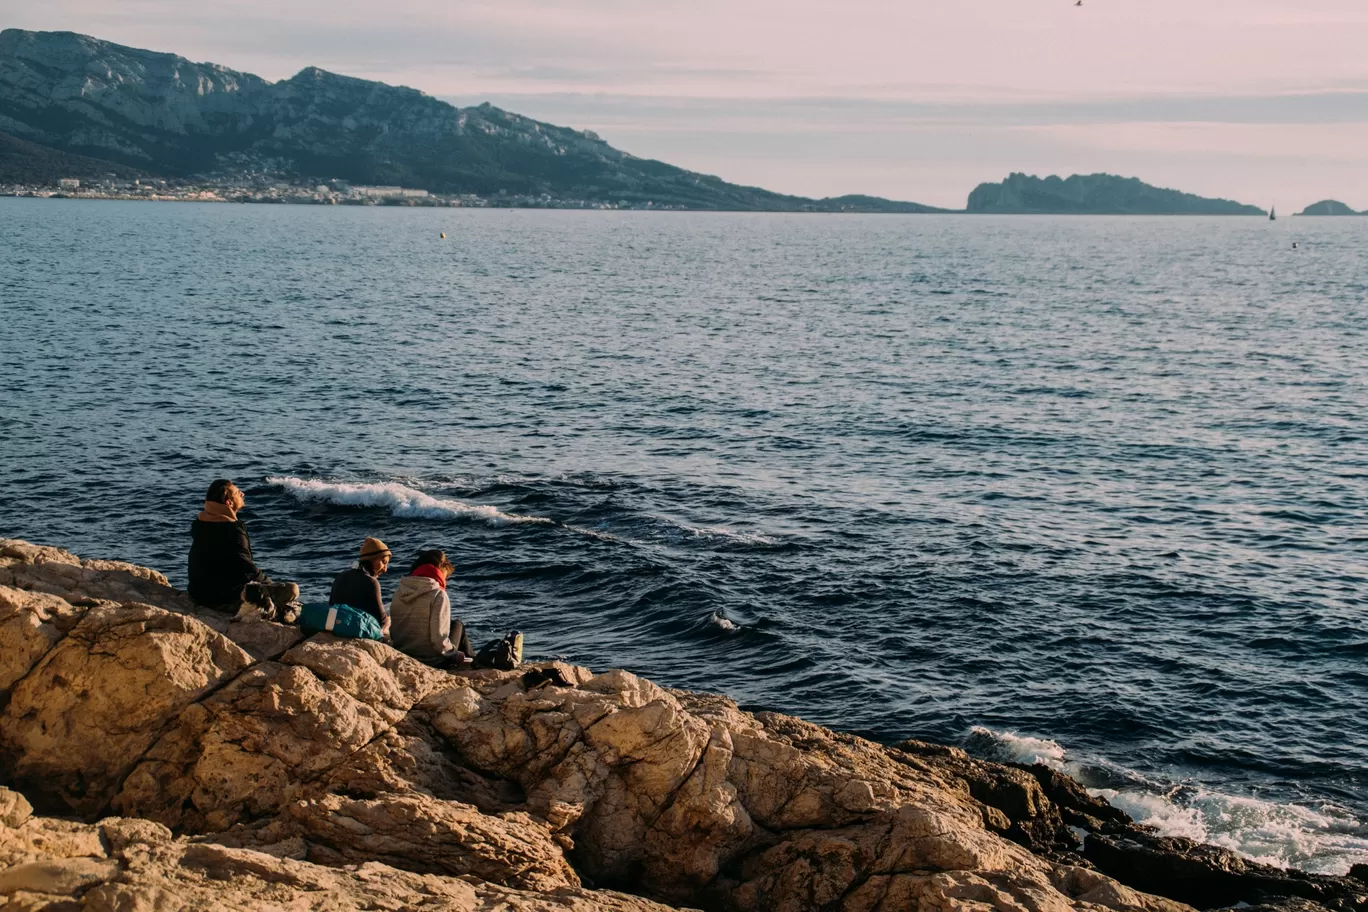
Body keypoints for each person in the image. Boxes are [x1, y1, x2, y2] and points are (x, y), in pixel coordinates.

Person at [188, 479, 298, 614]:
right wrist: (269, 584)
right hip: (222, 599)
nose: (242, 494)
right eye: (238, 492)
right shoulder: (231, 530)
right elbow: (247, 568)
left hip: (198, 593)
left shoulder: (201, 524)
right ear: (229, 503)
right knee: (291, 589)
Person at [389, 549, 472, 668]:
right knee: (458, 625)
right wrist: (456, 655)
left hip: (404, 654)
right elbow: (439, 640)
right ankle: (472, 662)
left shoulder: (399, 591)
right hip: (432, 661)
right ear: (441, 570)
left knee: (453, 625)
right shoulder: (438, 595)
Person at [330, 538, 392, 636]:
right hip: (359, 631)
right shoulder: (371, 582)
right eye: (384, 562)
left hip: (337, 627)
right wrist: (388, 620)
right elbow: (382, 622)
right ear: (371, 560)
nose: (385, 569)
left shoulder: (340, 576)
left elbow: (331, 606)